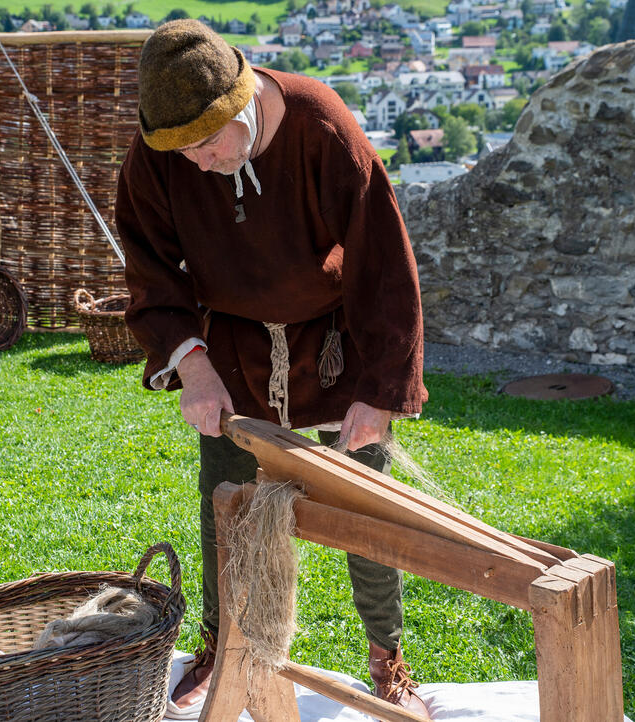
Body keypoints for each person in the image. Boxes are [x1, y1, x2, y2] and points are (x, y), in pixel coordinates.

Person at [114, 19, 429, 715]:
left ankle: (387, 654)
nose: (195, 161)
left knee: (365, 507)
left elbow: (383, 267)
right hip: (230, 348)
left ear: (242, 102)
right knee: (225, 506)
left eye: (207, 142)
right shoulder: (162, 149)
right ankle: (223, 647)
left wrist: (378, 393)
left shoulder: (323, 128)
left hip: (336, 342)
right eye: (181, 149)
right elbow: (151, 269)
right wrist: (192, 366)